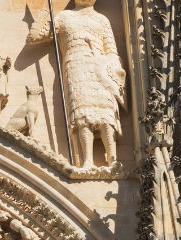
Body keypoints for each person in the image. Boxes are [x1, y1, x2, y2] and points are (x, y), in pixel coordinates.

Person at [53, 0, 126, 168]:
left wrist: (115, 70)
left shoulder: (102, 19)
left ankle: (113, 160)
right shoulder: (64, 16)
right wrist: (42, 20)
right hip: (76, 65)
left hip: (100, 66)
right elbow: (37, 36)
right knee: (82, 115)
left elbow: (111, 50)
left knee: (107, 113)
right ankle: (87, 161)